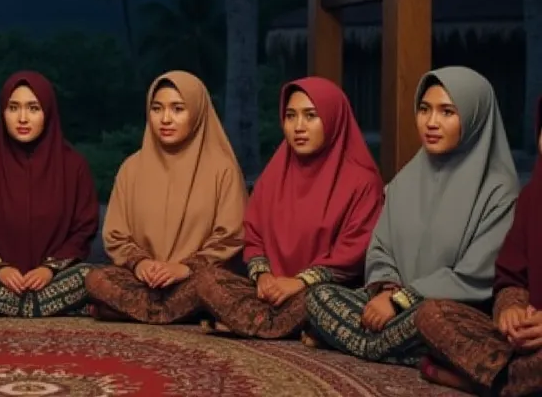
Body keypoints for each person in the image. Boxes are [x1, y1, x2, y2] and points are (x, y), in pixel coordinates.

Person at [305, 66, 520, 366]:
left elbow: (475, 275)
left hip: (448, 312)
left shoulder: (499, 191)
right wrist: (388, 290)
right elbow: (381, 247)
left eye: (447, 112)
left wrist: (401, 301)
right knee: (319, 296)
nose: (431, 122)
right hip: (391, 307)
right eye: (424, 109)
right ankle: (411, 355)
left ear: (475, 117)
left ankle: (364, 343)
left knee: (433, 320)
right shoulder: (406, 179)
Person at [194, 77, 384, 338]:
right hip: (268, 292)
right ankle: (295, 329)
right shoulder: (275, 172)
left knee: (323, 301)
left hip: (319, 291)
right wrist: (263, 277)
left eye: (310, 116)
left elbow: (352, 256)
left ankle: (251, 322)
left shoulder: (363, 182)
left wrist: (297, 283)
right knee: (207, 280)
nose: (298, 127)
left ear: (333, 119)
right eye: (291, 116)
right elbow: (254, 233)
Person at [85, 71, 248, 324]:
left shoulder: (222, 168)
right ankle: (182, 314)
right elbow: (116, 236)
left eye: (178, 109)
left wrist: (183, 268)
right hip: (145, 282)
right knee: (96, 279)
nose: (166, 119)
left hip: (194, 279)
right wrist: (141, 264)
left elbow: (231, 237)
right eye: (157, 108)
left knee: (212, 285)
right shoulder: (132, 167)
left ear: (196, 112)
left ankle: (130, 311)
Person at [415, 95, 542, 396]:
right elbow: (512, 276)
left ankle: (484, 382)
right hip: (523, 339)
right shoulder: (532, 198)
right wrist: (511, 310)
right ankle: (513, 382)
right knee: (432, 313)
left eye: (447, 111)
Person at [0, 71, 99, 317]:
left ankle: (17, 308)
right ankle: (45, 308)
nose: (22, 118)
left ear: (48, 113)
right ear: (3, 113)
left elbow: (83, 230)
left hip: (57, 279)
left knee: (93, 277)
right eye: (13, 108)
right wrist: (0, 269)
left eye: (33, 108)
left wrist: (49, 269)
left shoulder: (74, 167)